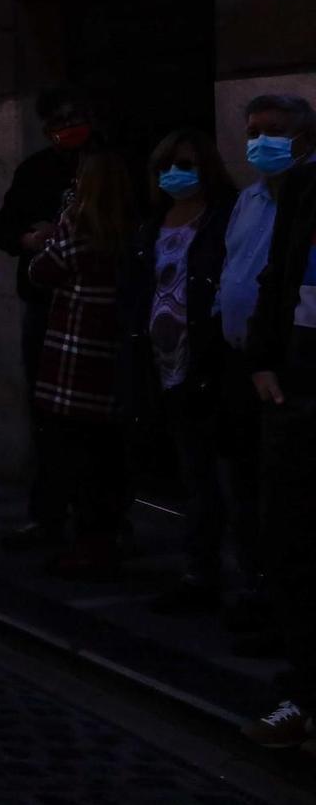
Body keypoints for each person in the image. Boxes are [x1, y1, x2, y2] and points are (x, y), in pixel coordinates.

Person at [119, 131, 235, 613]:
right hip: (164, 366)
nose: (173, 174)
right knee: (191, 472)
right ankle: (199, 569)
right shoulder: (153, 225)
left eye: (183, 163)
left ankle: (235, 575)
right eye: (165, 166)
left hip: (208, 364)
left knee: (220, 473)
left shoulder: (221, 220)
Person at [214, 93, 313, 646]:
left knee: (287, 499)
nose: (260, 142)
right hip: (242, 361)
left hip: (290, 369)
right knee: (245, 482)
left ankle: (285, 612)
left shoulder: (303, 198)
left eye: (272, 130)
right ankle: (256, 588)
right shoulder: (250, 198)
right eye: (253, 130)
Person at [238, 95, 316, 748]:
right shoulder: (299, 190)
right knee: (290, 540)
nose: (260, 143)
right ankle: (303, 692)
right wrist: (264, 357)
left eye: (274, 133)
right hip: (297, 386)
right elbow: (276, 274)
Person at [27, 147, 136, 578]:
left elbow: (42, 270)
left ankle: (90, 544)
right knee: (103, 458)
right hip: (108, 358)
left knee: (78, 459)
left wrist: (53, 233)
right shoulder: (129, 228)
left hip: (74, 362)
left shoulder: (81, 228)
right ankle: (104, 536)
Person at [0, 90, 90, 548]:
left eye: (75, 117)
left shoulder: (104, 166)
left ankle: (99, 515)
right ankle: (47, 510)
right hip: (45, 302)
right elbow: (3, 228)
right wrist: (30, 239)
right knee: (45, 412)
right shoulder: (35, 171)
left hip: (95, 307)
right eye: (60, 118)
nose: (68, 125)